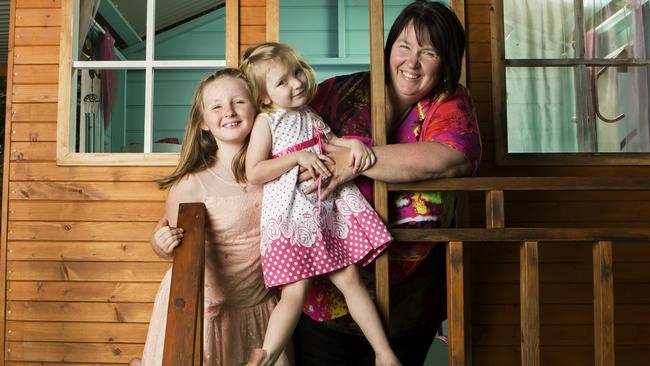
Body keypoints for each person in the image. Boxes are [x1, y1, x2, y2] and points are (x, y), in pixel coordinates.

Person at [292, 1, 481, 365]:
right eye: (404, 46)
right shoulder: (339, 92)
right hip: (326, 297)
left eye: (428, 52)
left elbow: (454, 157)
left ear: (446, 61)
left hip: (407, 307)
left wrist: (359, 161)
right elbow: (279, 129)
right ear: (389, 47)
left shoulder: (450, 102)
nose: (412, 63)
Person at [240, 42, 400, 366]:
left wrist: (352, 143)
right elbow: (254, 171)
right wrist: (294, 158)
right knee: (294, 293)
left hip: (325, 212)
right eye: (282, 82)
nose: (297, 83)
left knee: (352, 280)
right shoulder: (267, 122)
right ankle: (266, 357)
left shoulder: (310, 114)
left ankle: (384, 354)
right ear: (265, 97)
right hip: (292, 218)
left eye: (297, 72)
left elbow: (331, 143)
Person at [131, 68, 290, 366]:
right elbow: (172, 244)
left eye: (239, 101)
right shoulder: (192, 185)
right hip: (201, 310)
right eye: (216, 106)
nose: (229, 111)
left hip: (258, 309)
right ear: (203, 122)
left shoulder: (279, 171)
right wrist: (160, 243)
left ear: (256, 107)